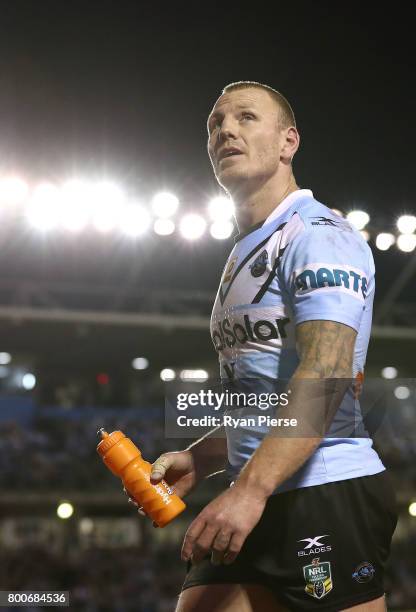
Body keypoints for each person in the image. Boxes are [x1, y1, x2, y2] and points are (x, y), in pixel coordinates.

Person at [129, 81, 397, 611]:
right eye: (215, 123)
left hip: (324, 490)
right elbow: (266, 396)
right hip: (262, 485)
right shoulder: (247, 249)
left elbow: (326, 375)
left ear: (288, 142)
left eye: (247, 117)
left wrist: (249, 491)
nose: (225, 129)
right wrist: (202, 458)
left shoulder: (317, 235)